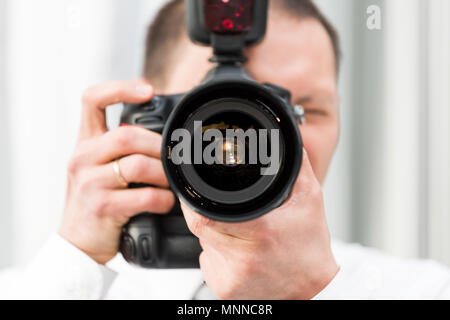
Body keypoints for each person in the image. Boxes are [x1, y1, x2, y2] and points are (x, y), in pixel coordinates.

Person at [1, 0, 450, 300]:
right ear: (148, 123)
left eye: (304, 109)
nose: (277, 135)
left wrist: (315, 293)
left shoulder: (419, 290)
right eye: (225, 109)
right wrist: (74, 260)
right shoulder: (53, 285)